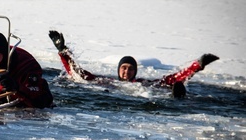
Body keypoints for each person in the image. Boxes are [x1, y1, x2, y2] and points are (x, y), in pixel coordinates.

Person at [48, 30, 219, 98]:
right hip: (113, 95)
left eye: (130, 69)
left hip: (145, 96)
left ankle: (178, 99)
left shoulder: (144, 84)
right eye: (123, 68)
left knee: (171, 86)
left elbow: (174, 78)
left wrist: (198, 65)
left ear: (135, 71)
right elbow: (77, 73)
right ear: (118, 70)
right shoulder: (106, 81)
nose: (126, 71)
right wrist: (63, 51)